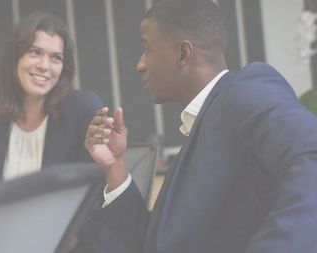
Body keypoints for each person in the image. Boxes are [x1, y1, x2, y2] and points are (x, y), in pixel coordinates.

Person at [84, 0, 317, 253]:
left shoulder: (246, 90)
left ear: (183, 54)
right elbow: (153, 244)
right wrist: (115, 166)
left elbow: (311, 156)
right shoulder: (200, 125)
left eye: (147, 50)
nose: (139, 65)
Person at [0, 11, 103, 183]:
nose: (44, 66)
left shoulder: (83, 110)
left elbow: (98, 192)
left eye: (56, 58)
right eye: (35, 52)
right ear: (14, 58)